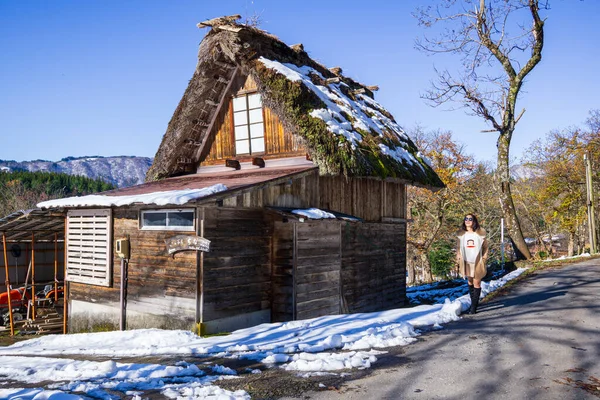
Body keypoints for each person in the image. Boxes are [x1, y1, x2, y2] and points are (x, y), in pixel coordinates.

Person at [456, 213, 489, 314]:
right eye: (466, 219)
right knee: (470, 281)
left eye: (470, 219)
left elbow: (485, 247)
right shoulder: (461, 235)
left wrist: (484, 258)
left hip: (477, 261)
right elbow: (458, 247)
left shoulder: (480, 234)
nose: (468, 220)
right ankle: (473, 301)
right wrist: (458, 256)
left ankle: (474, 307)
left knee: (477, 282)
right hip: (466, 261)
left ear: (474, 221)